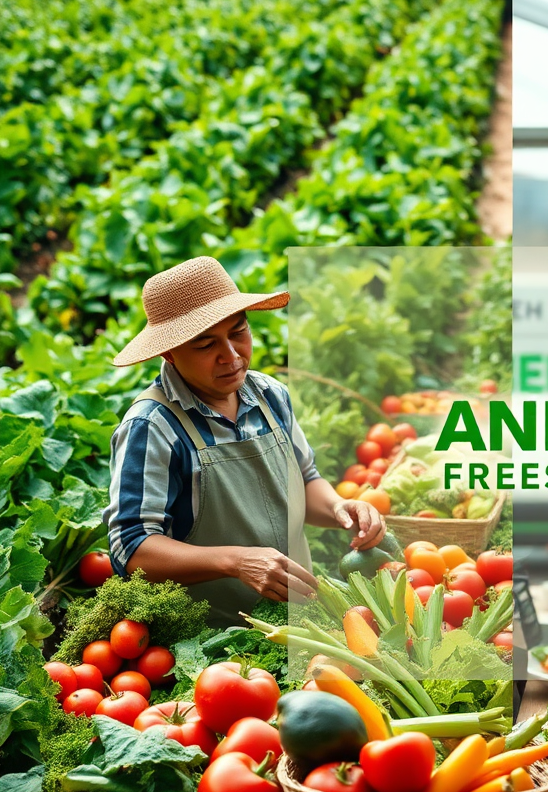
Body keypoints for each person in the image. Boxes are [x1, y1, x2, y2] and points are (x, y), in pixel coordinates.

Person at [104, 256, 386, 627]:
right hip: (207, 637)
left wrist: (339, 508)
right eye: (206, 346)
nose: (232, 356)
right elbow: (132, 547)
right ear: (169, 354)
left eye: (238, 332)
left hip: (297, 617)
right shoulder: (153, 426)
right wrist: (236, 562)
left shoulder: (270, 395)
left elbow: (303, 479)